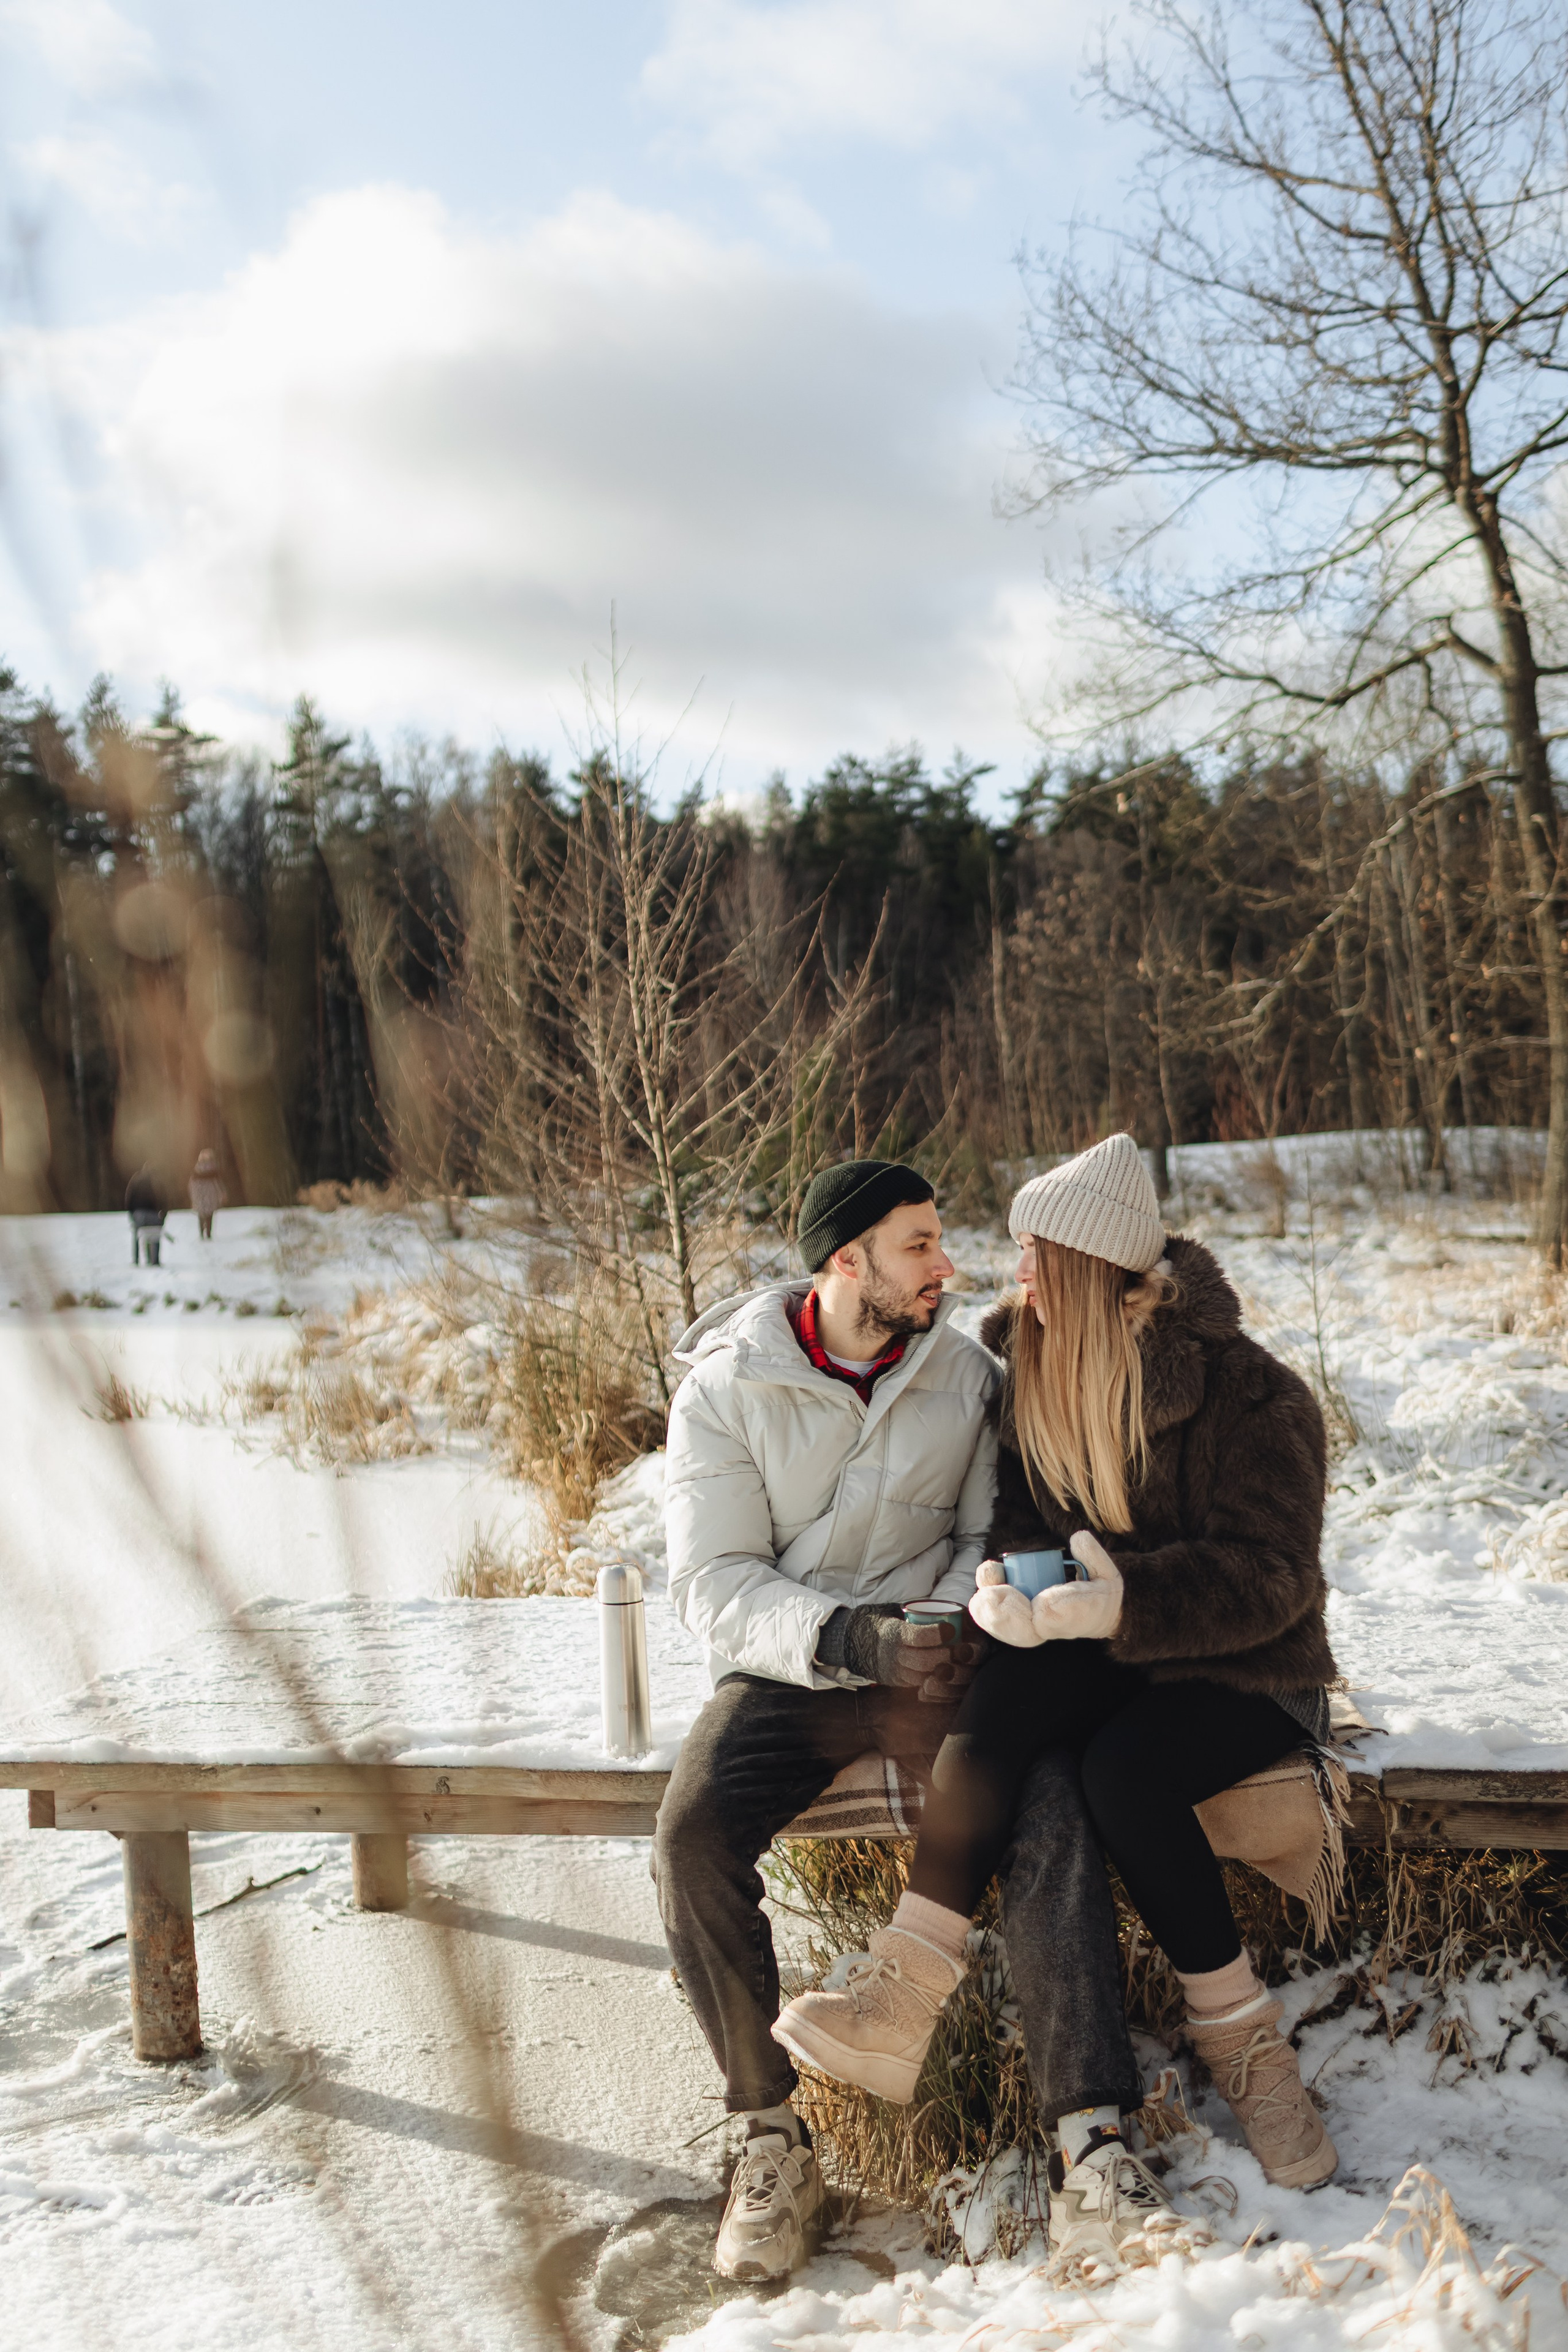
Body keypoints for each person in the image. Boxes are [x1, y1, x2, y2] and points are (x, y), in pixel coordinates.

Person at [774, 1133, 1340, 2261]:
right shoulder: (1025, 1367)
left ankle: (1249, 2051)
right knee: (1014, 1698)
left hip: (1244, 1666)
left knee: (1120, 1772)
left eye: (1036, 1256)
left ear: (1091, 1264)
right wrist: (1013, 1595)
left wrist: (1123, 1601)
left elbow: (1273, 1581)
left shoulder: (1252, 1396)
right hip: (1101, 1647)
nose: (1013, 1275)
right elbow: (1028, 1530)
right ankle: (900, 1995)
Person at [658, 1158, 1158, 2284]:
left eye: (942, 1240)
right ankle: (771, 2140)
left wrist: (940, 1626)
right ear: (848, 1263)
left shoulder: (966, 1376)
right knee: (688, 1837)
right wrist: (845, 1639)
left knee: (1045, 1801)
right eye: (920, 1245)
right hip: (789, 1669)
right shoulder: (726, 1390)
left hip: (931, 1666)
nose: (948, 1264)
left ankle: (1094, 2144)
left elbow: (987, 1531)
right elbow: (712, 1580)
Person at [126, 1165, 167, 1267]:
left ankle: (136, 1259)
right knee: (155, 1233)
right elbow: (164, 1198)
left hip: (139, 1213)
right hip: (153, 1213)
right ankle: (155, 1260)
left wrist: (131, 1213)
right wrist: (163, 1216)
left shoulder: (136, 1178)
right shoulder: (157, 1180)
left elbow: (129, 1196)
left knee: (137, 1233)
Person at [189, 1148, 226, 1240]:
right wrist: (222, 1193)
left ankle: (202, 1232)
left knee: (201, 1214)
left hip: (200, 1196)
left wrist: (193, 1196)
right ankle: (209, 1233)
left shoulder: (196, 1170)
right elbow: (218, 1183)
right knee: (210, 1215)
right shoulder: (214, 1170)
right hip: (211, 1196)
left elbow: (192, 1185)